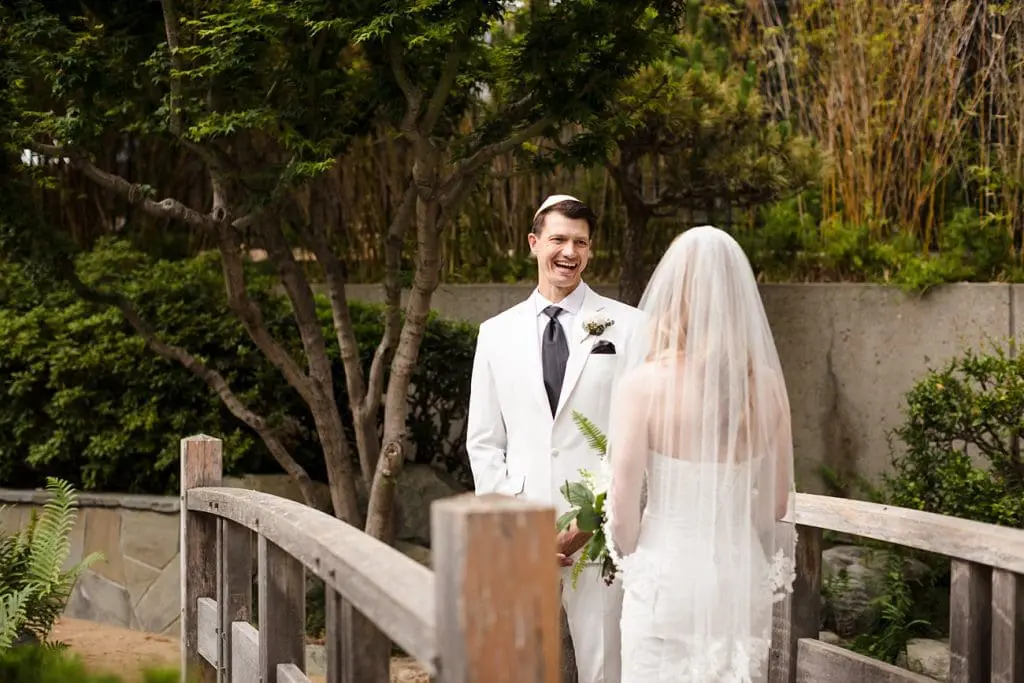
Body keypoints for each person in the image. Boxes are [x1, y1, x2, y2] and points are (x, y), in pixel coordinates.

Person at [604, 225, 797, 682]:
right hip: (737, 579)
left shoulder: (643, 386)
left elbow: (623, 513)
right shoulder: (767, 387)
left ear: (675, 295)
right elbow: (776, 504)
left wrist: (638, 558)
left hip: (665, 582)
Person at [467, 194, 642, 683]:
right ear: (534, 243)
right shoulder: (495, 333)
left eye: (580, 243)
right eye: (559, 239)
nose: (569, 252)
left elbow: (637, 435)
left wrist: (594, 516)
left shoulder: (629, 326)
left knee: (606, 667)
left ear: (590, 251)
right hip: (522, 534)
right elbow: (483, 441)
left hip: (601, 535)